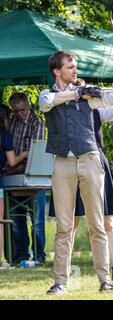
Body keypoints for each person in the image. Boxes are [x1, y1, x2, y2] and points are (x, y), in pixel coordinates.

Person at [38, 51, 113, 294]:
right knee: (64, 227)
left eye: (75, 67)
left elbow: (110, 100)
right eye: (70, 67)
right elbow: (47, 103)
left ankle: (105, 280)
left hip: (90, 159)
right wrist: (76, 92)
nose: (75, 71)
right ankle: (60, 282)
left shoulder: (88, 95)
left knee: (98, 224)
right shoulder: (47, 94)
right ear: (57, 71)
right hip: (63, 163)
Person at [48, 94, 113, 281]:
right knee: (69, 223)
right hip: (69, 164)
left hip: (95, 162)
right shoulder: (59, 105)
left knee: (106, 221)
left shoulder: (94, 106)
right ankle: (62, 275)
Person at [7, 92, 46, 265]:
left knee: (37, 221)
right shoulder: (12, 122)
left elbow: (35, 151)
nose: (19, 114)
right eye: (15, 111)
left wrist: (16, 161)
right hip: (14, 176)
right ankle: (22, 256)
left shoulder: (37, 122)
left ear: (28, 106)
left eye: (21, 110)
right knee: (17, 219)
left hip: (33, 176)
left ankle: (39, 256)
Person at [0, 104, 29, 270]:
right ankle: (1, 260)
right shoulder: (5, 135)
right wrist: (24, 154)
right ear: (5, 119)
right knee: (0, 221)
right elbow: (11, 162)